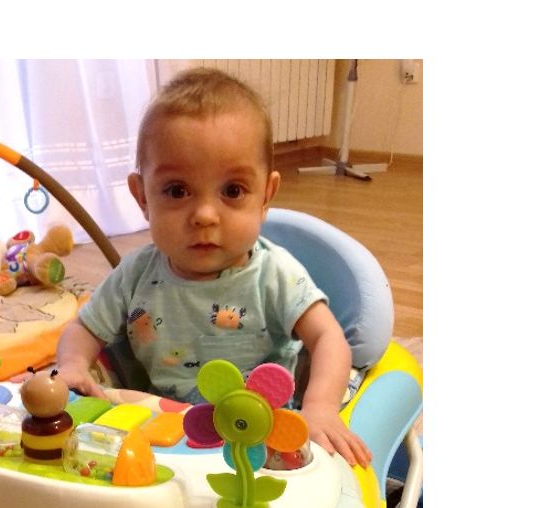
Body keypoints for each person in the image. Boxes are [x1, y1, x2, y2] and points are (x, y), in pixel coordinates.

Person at [55, 67, 371, 468]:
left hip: (262, 434)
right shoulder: (134, 276)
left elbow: (328, 338)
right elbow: (83, 329)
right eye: (177, 191)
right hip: (167, 434)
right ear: (142, 197)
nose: (204, 214)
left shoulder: (275, 274)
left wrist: (320, 408)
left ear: (266, 195)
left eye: (232, 190)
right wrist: (72, 365)